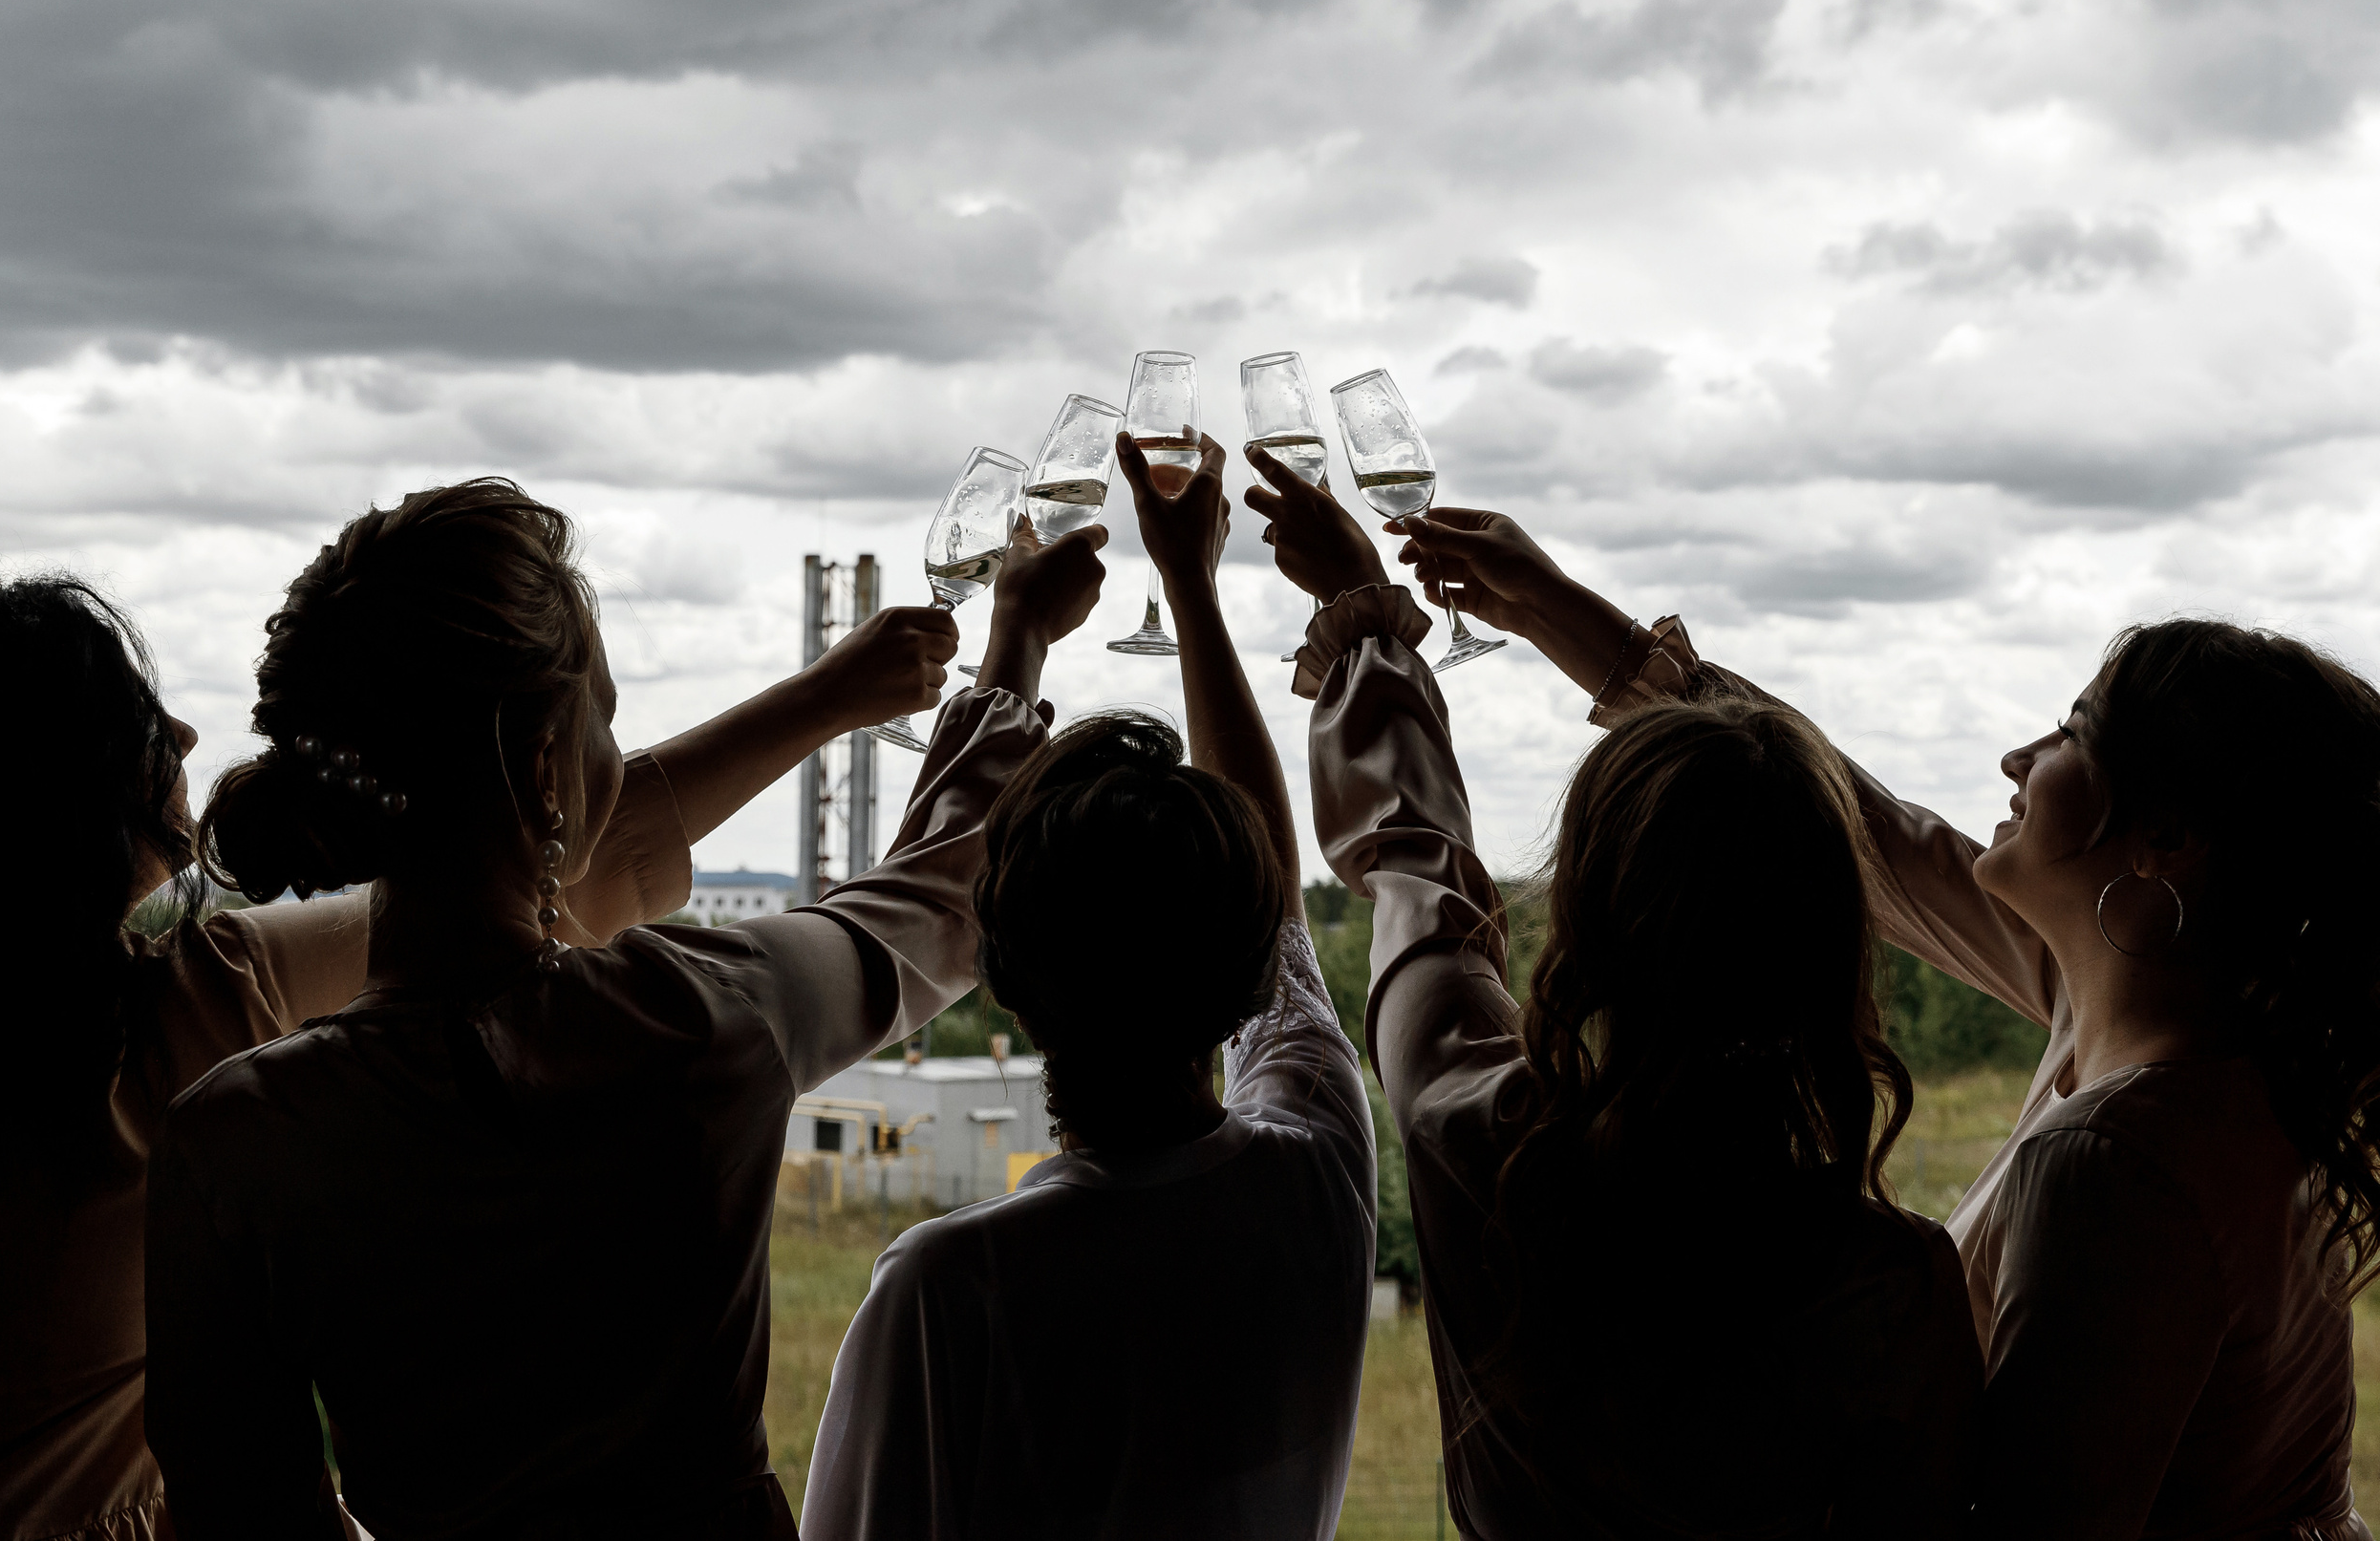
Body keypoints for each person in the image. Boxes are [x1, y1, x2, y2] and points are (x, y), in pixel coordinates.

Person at [1317, 488, 2380, 1540]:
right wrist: (1561, 612)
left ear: (2169, 841)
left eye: (2072, 732)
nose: (2017, 758)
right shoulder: (2195, 1028)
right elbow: (1873, 842)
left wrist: (1372, 647)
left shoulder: (2117, 1162)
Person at [141, 477, 1106, 1539]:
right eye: (604, 717)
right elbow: (937, 903)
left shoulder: (233, 1138)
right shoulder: (703, 1022)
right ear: (548, 768)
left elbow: (241, 1511)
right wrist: (1017, 637)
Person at [0, 549, 884, 1541]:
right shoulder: (180, 1018)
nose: (181, 731)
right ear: (52, 785)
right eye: (137, 722)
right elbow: (531, 853)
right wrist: (829, 698)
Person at [1244, 447, 1983, 1537]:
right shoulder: (1893, 1283)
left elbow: (1418, 875)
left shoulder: (1478, 1142)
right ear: (1834, 943)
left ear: (1582, 926)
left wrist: (1363, 625)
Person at [801, 431, 1377, 1541]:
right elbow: (1282, 902)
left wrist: (1013, 634)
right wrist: (1191, 588)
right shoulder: (1319, 1173)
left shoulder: (948, 1289)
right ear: (1251, 959)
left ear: (999, 971)